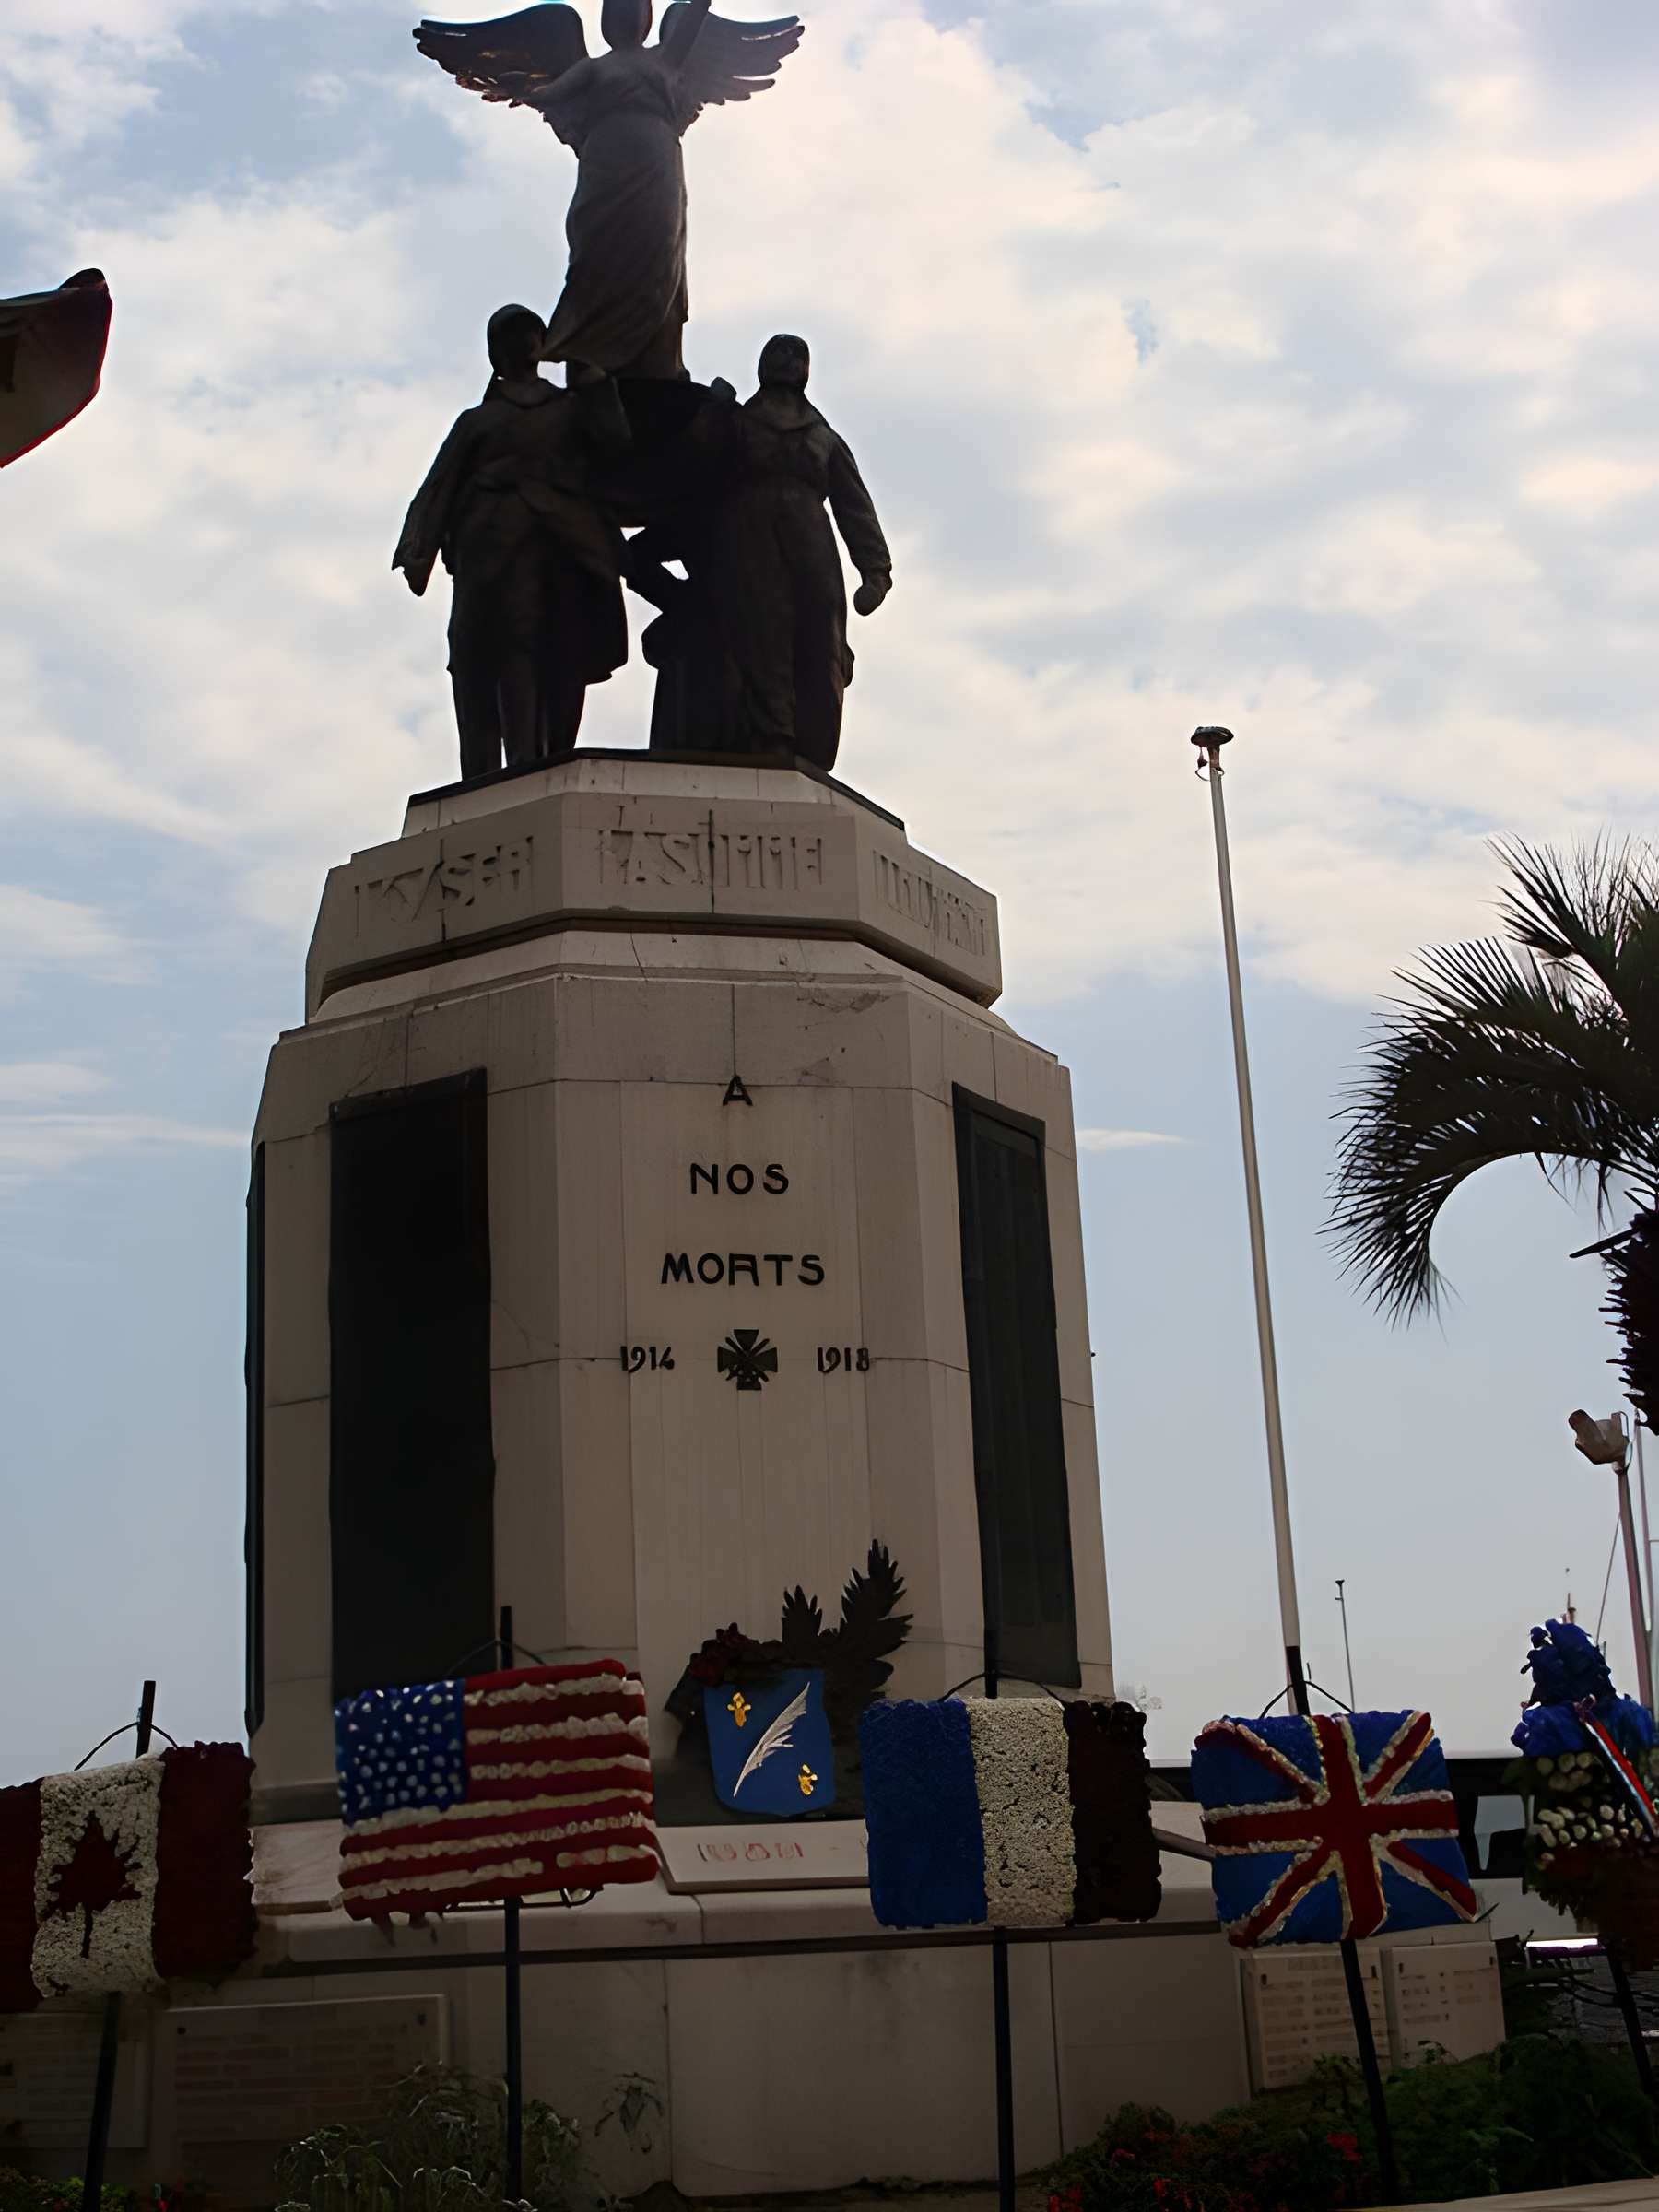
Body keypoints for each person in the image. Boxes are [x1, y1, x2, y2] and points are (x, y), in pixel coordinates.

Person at [394, 303, 629, 778]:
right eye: (504, 338)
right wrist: (419, 548)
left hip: (558, 546)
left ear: (543, 346)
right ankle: (491, 769)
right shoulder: (476, 421)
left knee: (547, 650)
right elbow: (439, 484)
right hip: (487, 550)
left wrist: (596, 384)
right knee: (479, 656)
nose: (517, 346)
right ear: (493, 355)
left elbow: (617, 446)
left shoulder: (570, 407)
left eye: (526, 335)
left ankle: (535, 757)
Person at [708, 334, 890, 771]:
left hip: (810, 540)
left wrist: (875, 570)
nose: (787, 361)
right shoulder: (735, 423)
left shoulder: (823, 438)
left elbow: (854, 505)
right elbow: (698, 477)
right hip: (749, 537)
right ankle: (773, 735)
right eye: (778, 352)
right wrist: (708, 415)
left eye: (797, 355)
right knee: (762, 631)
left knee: (820, 636)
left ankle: (814, 741)